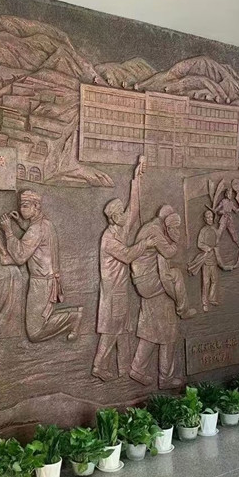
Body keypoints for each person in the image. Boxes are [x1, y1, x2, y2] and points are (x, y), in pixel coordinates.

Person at [92, 159, 153, 381]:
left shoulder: (121, 229)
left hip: (120, 290)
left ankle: (124, 368)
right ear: (113, 217)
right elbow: (127, 255)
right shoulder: (109, 238)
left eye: (122, 213)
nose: (124, 216)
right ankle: (99, 366)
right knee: (112, 331)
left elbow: (134, 209)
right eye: (120, 213)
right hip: (112, 293)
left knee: (123, 329)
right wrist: (145, 244)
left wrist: (137, 178)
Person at [0, 190, 82, 343]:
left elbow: (20, 256)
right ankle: (73, 316)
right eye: (20, 206)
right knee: (38, 325)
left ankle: (73, 317)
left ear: (36, 206)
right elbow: (37, 241)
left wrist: (8, 231)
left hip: (41, 283)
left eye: (25, 206)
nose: (21, 209)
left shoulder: (36, 229)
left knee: (35, 333)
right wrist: (22, 224)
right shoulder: (46, 223)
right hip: (48, 280)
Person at [129, 209, 193, 389]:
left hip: (145, 283)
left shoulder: (151, 227)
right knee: (169, 332)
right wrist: (175, 241)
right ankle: (166, 378)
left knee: (151, 330)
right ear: (166, 222)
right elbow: (169, 254)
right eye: (174, 227)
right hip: (152, 283)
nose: (176, 230)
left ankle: (137, 369)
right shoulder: (155, 231)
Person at [188, 207, 232, 312]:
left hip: (214, 259)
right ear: (204, 219)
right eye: (207, 217)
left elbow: (217, 242)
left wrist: (216, 252)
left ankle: (212, 298)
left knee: (215, 280)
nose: (209, 219)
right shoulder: (203, 231)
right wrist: (207, 248)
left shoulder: (214, 230)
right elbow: (199, 244)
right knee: (206, 282)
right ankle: (205, 303)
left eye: (211, 217)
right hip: (206, 260)